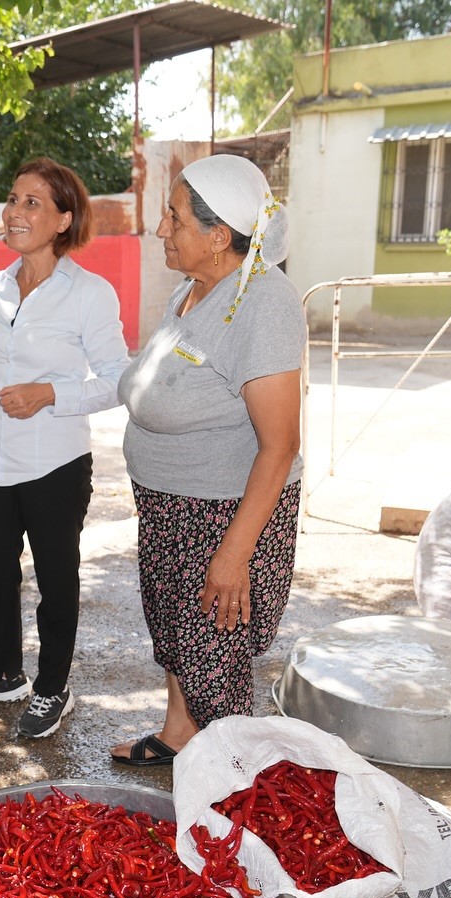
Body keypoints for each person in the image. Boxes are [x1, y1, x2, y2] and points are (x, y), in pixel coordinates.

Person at [110, 154, 304, 767]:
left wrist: (234, 553)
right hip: (168, 506)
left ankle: (232, 787)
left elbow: (280, 446)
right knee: (177, 633)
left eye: (173, 217)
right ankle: (178, 735)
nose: (161, 229)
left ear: (219, 236)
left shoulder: (265, 304)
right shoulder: (192, 291)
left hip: (222, 518)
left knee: (213, 654)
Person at [0, 158, 131, 740]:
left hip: (54, 464)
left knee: (57, 580)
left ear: (62, 219)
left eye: (33, 202)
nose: (16, 211)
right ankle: (4, 670)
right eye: (13, 198)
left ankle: (53, 686)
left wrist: (50, 393)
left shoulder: (89, 295)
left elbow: (118, 379)